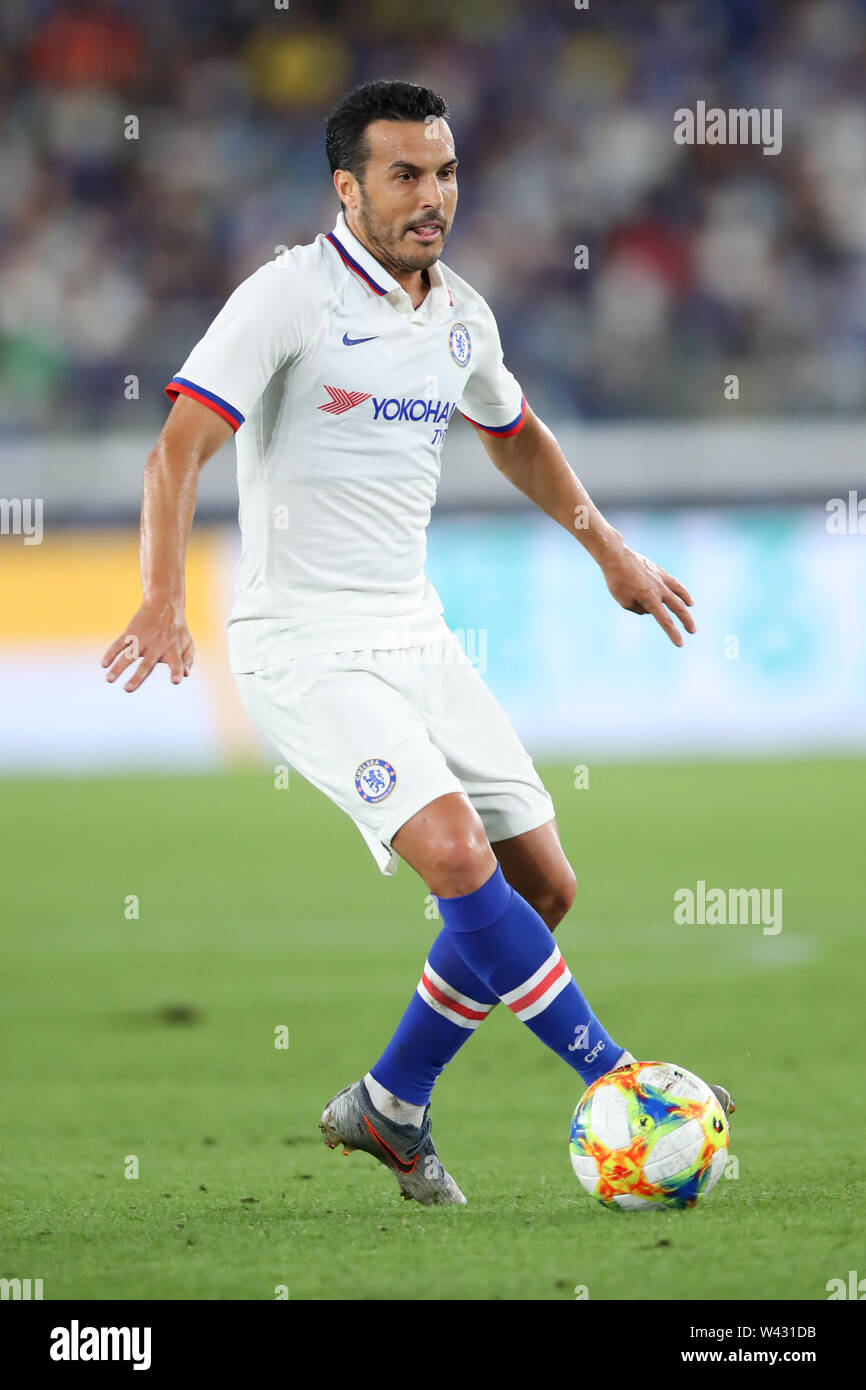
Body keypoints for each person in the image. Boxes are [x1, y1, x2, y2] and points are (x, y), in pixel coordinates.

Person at [102, 80, 733, 1206]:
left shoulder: (460, 316)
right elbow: (175, 451)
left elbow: (517, 435)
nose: (431, 196)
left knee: (541, 887)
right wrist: (161, 595)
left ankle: (389, 1105)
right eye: (404, 174)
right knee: (454, 858)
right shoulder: (287, 297)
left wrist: (610, 552)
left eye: (443, 172)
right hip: (303, 644)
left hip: (415, 634)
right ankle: (620, 1078)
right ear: (347, 189)